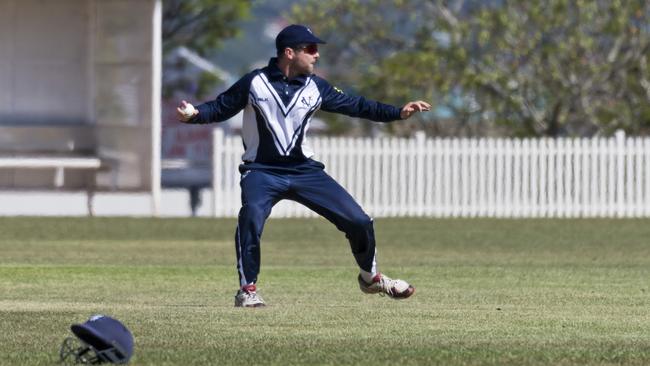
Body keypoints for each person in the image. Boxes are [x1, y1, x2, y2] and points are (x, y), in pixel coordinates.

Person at [177, 24, 431, 307]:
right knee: (250, 218)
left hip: (305, 171)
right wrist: (196, 114)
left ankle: (371, 278)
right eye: (310, 49)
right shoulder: (254, 83)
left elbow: (357, 105)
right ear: (289, 53)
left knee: (359, 221)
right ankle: (247, 290)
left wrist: (397, 112)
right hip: (262, 171)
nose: (316, 55)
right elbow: (221, 107)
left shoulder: (316, 87)